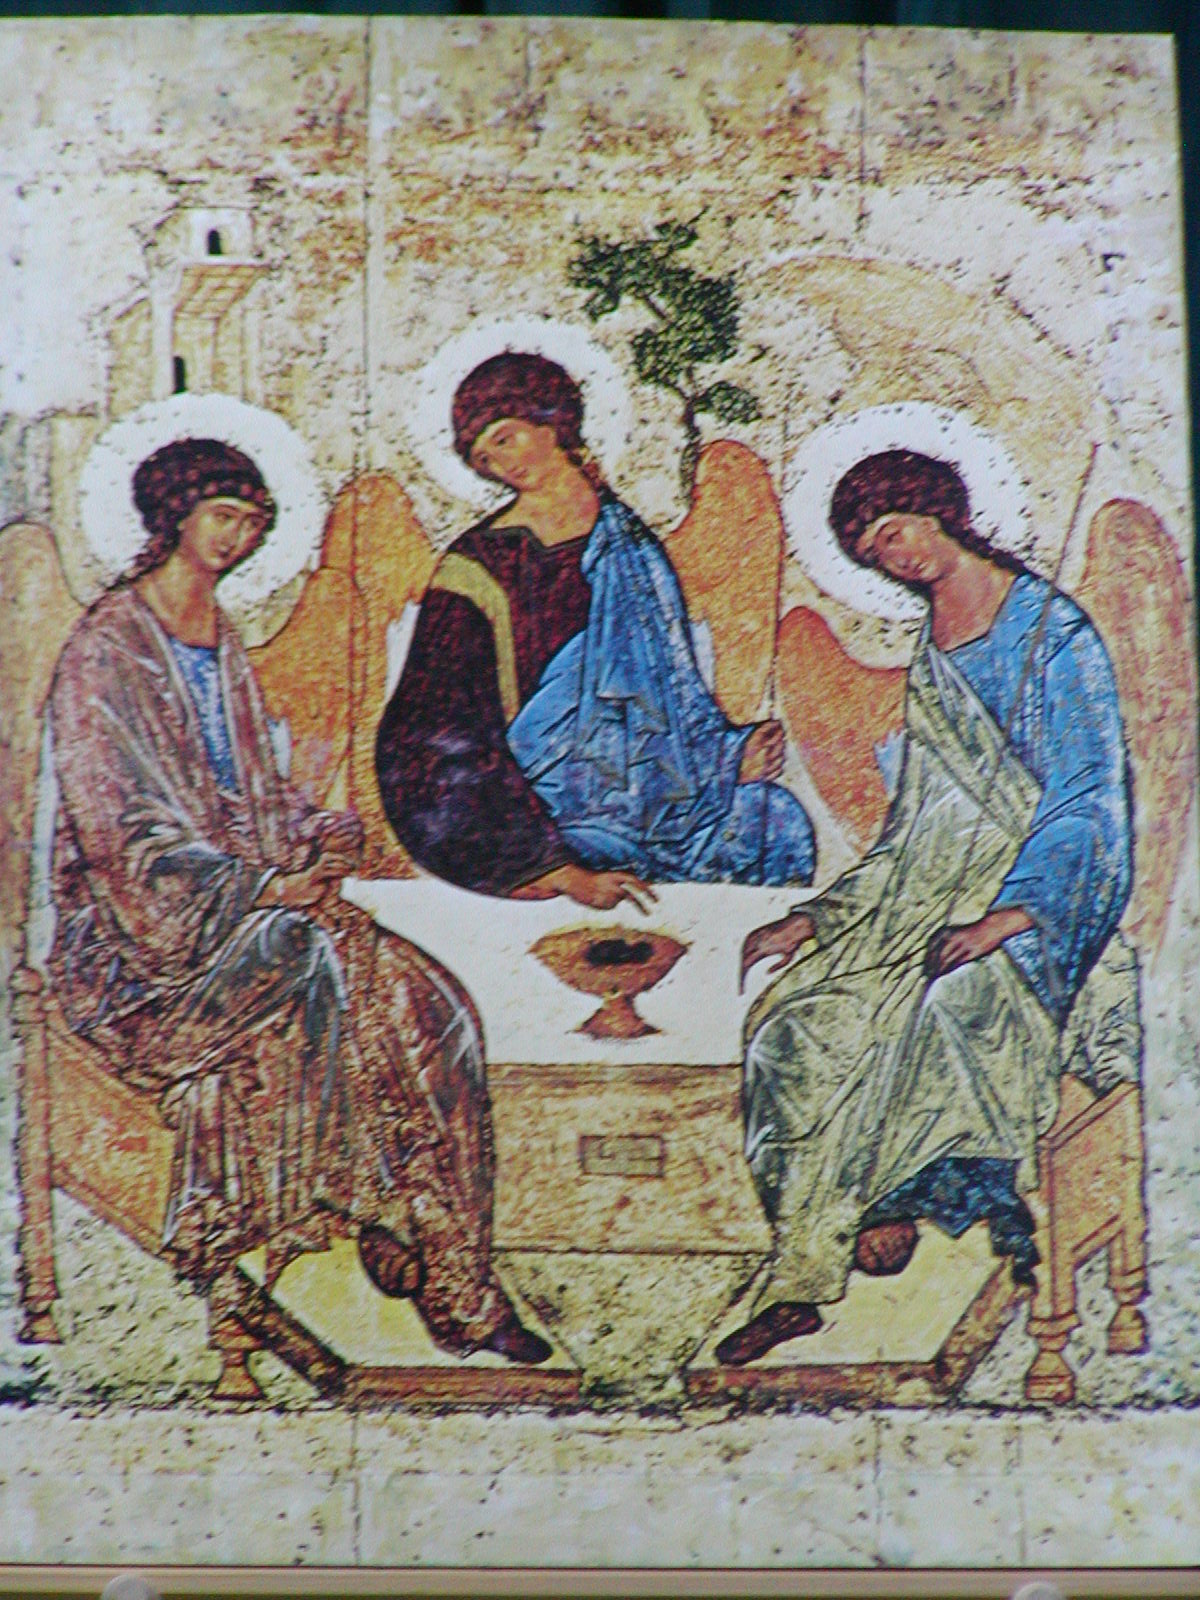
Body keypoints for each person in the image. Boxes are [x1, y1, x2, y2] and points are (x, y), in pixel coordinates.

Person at [47, 436, 550, 1364]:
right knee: (307, 955)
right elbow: (120, 833)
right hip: (140, 952)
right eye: (222, 517)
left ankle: (459, 1275)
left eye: (252, 524)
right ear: (175, 517)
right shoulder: (108, 646)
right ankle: (376, 1216)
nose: (236, 539)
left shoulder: (218, 636)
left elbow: (246, 795)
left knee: (432, 1007)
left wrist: (318, 833)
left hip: (249, 912)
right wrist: (262, 885)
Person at [716, 447, 1139, 1365]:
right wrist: (819, 917)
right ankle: (803, 1269)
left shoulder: (1051, 632)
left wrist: (1009, 917)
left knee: (950, 1010)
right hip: (921, 898)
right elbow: (914, 827)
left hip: (1037, 906)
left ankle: (888, 1204)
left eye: (897, 530)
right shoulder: (930, 658)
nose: (896, 556)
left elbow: (1090, 799)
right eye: (874, 550)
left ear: (938, 511)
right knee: (793, 1026)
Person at [375, 352, 815, 907]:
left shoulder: (628, 542)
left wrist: (729, 756)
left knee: (775, 823)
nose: (501, 464)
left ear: (549, 421)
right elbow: (430, 729)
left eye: (506, 438)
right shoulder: (477, 566)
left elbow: (671, 691)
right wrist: (551, 865)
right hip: (546, 810)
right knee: (605, 851)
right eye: (484, 458)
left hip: (651, 791)